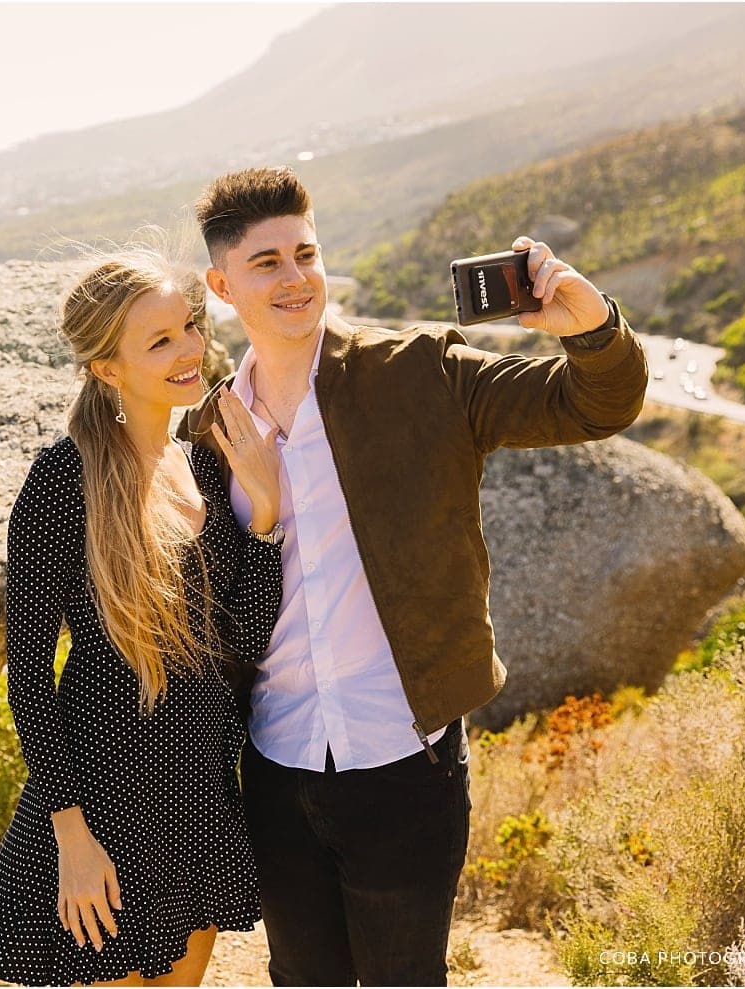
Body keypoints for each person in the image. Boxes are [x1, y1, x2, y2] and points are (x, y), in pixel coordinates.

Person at [180, 167, 648, 986]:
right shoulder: (208, 429)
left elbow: (594, 404)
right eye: (266, 263)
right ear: (223, 286)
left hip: (405, 760)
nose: (295, 278)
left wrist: (593, 328)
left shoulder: (419, 372)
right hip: (275, 766)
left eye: (306, 254)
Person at [0, 248, 287, 987]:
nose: (189, 349)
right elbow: (29, 680)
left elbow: (241, 644)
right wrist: (72, 839)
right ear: (107, 369)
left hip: (196, 795)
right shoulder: (61, 482)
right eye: (159, 341)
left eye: (188, 326)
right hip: (99, 805)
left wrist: (264, 515)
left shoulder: (205, 466)